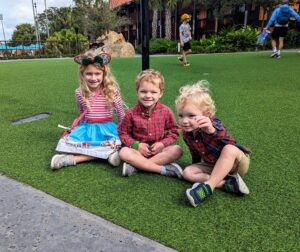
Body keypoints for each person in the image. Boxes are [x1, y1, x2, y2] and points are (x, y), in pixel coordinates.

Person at [175, 81, 251, 207]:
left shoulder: (214, 124)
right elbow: (195, 152)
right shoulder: (186, 133)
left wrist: (211, 130)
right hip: (213, 166)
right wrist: (196, 166)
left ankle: (208, 187)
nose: (185, 121)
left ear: (207, 115)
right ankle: (227, 184)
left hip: (236, 163)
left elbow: (226, 138)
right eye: (181, 116)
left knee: (229, 148)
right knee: (187, 173)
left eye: (191, 115)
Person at [51, 51, 125, 170]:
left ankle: (72, 160)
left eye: (97, 73)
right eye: (89, 74)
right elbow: (82, 114)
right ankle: (108, 155)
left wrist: (124, 131)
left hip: (107, 129)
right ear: (82, 74)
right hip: (88, 128)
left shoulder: (112, 91)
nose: (93, 78)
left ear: (104, 74)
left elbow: (121, 113)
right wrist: (77, 128)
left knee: (118, 143)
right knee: (67, 143)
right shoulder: (79, 92)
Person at [117, 69, 183, 179]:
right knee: (124, 152)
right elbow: (123, 133)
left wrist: (162, 144)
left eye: (153, 92)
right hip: (138, 152)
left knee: (177, 150)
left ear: (160, 93)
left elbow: (174, 131)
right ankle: (163, 170)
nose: (148, 95)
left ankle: (137, 166)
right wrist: (136, 145)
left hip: (159, 151)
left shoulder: (166, 111)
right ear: (137, 91)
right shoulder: (131, 113)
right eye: (143, 91)